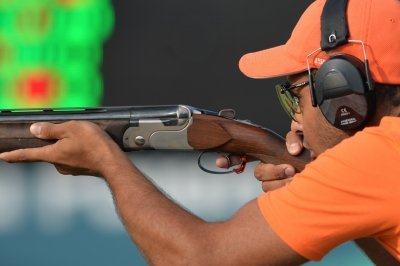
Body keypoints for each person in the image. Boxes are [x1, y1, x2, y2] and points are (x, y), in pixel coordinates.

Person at [0, 0, 399, 264]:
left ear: (340, 91)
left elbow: (198, 260)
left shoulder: (380, 156)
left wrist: (108, 162)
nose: (295, 118)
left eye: (298, 93)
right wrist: (322, 186)